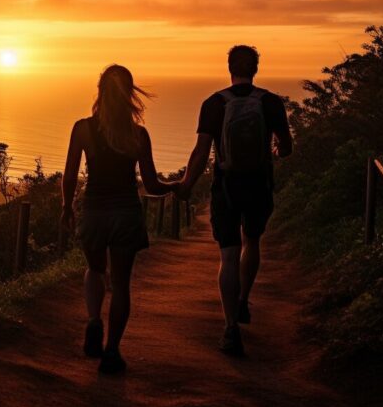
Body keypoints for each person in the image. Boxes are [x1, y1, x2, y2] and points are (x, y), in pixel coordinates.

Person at [61, 64, 178, 374]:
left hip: (94, 212)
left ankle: (93, 321)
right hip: (126, 213)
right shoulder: (138, 134)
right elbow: (151, 186)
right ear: (129, 95)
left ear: (100, 92)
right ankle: (112, 352)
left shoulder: (83, 129)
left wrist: (65, 207)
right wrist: (176, 187)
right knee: (122, 285)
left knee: (95, 269)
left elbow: (70, 175)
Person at [177, 45, 293, 356]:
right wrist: (273, 153)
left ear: (229, 67)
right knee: (252, 241)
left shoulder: (214, 104)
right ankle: (243, 301)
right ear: (256, 68)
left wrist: (187, 184)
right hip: (258, 183)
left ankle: (230, 327)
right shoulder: (270, 103)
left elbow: (201, 153)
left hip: (226, 186)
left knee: (228, 255)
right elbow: (286, 148)